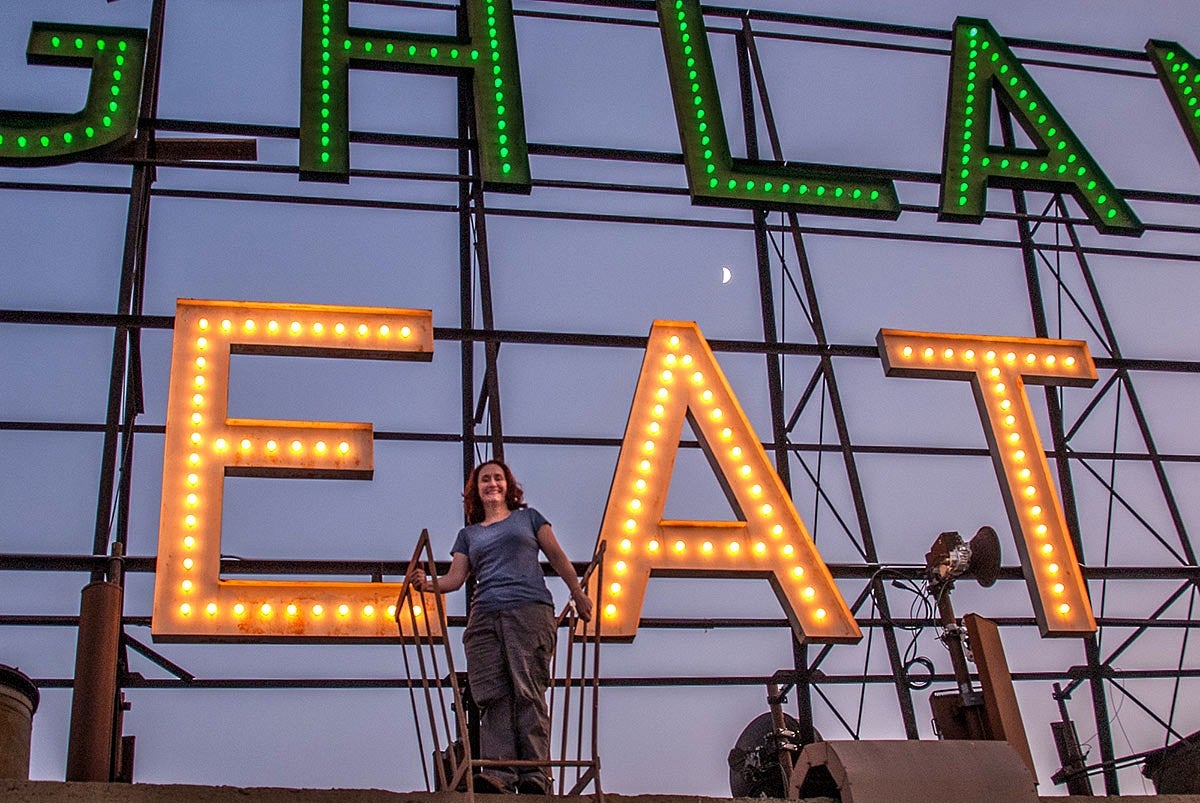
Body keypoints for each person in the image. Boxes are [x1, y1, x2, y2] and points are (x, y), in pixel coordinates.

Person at [407, 460, 593, 794]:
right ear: (475, 490)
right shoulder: (469, 535)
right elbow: (456, 578)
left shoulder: (529, 518)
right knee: (493, 697)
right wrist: (428, 583)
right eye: (484, 480)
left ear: (508, 485)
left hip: (528, 610)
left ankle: (535, 774)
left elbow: (557, 556)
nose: (491, 484)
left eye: (497, 478)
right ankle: (500, 774)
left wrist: (577, 592)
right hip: (485, 617)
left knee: (527, 690)